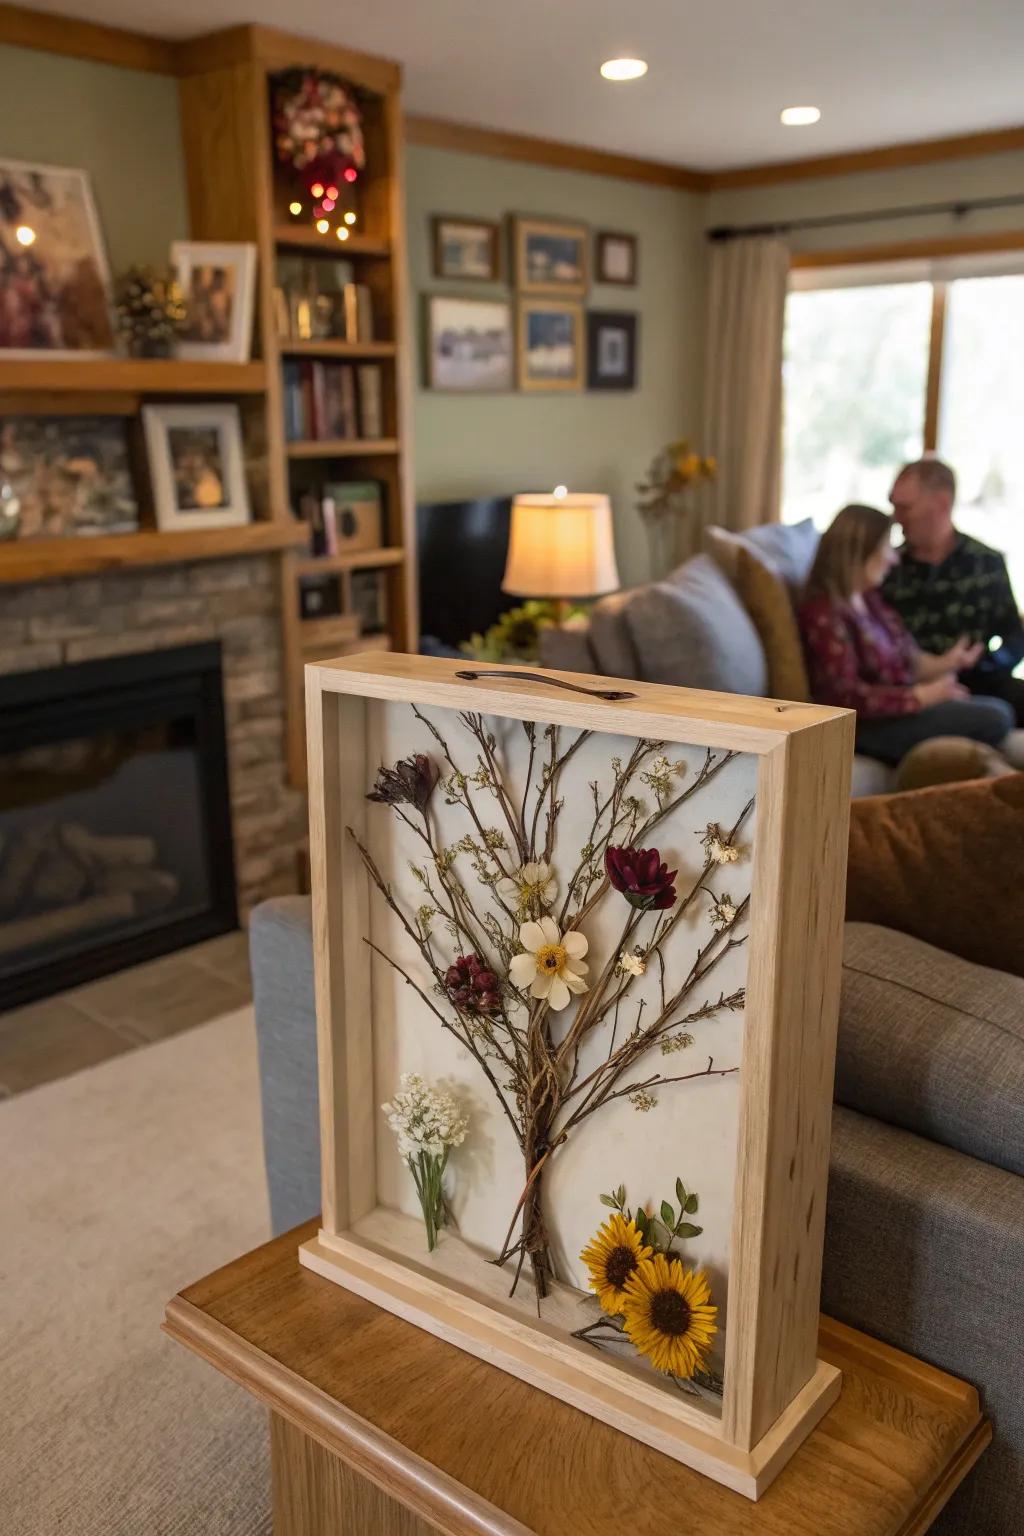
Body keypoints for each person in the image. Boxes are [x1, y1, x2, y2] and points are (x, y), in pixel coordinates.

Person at [798, 503, 1015, 766]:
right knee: (997, 716)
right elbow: (842, 696)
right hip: (868, 725)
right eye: (886, 548)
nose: (893, 558)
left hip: (899, 708)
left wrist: (949, 663)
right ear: (860, 551)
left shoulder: (870, 601)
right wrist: (923, 696)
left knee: (999, 706)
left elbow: (909, 659)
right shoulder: (823, 613)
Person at [885, 457, 1024, 723]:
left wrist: (990, 665)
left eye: (904, 508)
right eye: (893, 506)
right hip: (914, 690)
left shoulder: (986, 562)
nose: (895, 518)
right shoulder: (887, 568)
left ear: (942, 503)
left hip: (980, 683)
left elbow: (1014, 636)